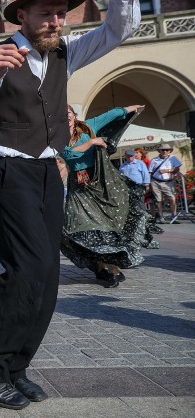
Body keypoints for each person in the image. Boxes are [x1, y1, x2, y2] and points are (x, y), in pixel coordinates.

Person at [0, 0, 140, 410]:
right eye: (46, 13)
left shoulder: (66, 52)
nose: (56, 21)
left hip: (47, 170)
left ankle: (17, 365)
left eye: (61, 13)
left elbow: (118, 30)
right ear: (22, 15)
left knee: (50, 275)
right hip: (9, 168)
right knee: (27, 269)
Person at [61, 104, 149, 287]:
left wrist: (131, 109)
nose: (66, 116)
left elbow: (111, 114)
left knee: (102, 226)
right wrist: (92, 142)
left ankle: (107, 267)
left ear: (73, 114)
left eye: (68, 112)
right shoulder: (57, 135)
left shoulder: (87, 126)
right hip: (78, 187)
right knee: (76, 225)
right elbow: (68, 154)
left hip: (99, 182)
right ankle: (103, 267)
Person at [148, 143, 183, 223]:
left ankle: (173, 216)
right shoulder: (154, 160)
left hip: (168, 182)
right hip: (155, 182)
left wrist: (168, 171)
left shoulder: (173, 158)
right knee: (158, 200)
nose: (165, 151)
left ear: (170, 151)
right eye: (163, 150)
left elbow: (177, 169)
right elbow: (149, 172)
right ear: (159, 151)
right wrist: (148, 183)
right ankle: (161, 217)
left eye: (167, 150)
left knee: (172, 199)